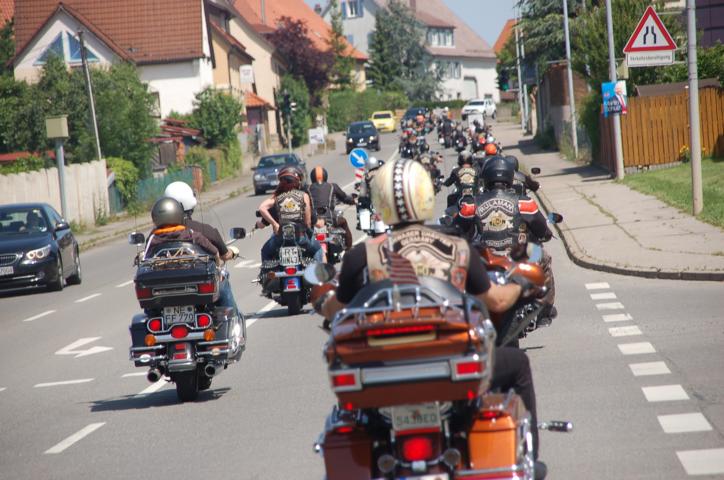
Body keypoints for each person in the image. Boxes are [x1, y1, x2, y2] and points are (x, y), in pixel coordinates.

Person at [320, 158, 545, 469]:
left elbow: (336, 310)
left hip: (382, 372)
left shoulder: (363, 255)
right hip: (450, 369)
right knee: (517, 363)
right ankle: (532, 460)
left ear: (380, 201)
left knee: (357, 415)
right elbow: (495, 301)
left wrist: (321, 299)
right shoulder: (457, 247)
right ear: (426, 195)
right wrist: (521, 284)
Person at [475, 156, 556, 323]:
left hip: (486, 257)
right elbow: (541, 228)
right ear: (510, 176)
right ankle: (545, 308)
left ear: (486, 177)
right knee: (544, 259)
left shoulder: (473, 203)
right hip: (518, 254)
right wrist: (545, 234)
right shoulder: (523, 203)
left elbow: (460, 228)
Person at [163, 181, 240, 309]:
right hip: (198, 286)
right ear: (190, 203)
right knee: (223, 284)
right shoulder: (205, 230)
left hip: (164, 289)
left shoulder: (156, 235)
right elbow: (225, 255)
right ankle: (234, 318)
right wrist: (233, 252)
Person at [258, 166, 323, 263]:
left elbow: (262, 208)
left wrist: (274, 224)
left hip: (280, 238)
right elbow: (308, 222)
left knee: (265, 251)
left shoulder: (277, 197)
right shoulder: (304, 196)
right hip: (300, 237)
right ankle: (318, 271)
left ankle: (267, 273)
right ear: (297, 181)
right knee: (318, 249)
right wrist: (308, 232)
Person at [143, 197, 219, 262]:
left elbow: (146, 258)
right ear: (178, 213)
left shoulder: (153, 239)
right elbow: (213, 250)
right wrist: (217, 262)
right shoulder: (190, 234)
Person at [308, 166, 355, 250]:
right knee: (343, 222)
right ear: (325, 176)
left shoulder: (307, 188)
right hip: (330, 219)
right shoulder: (332, 186)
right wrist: (352, 201)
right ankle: (349, 249)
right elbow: (345, 198)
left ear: (312, 177)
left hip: (313, 221)